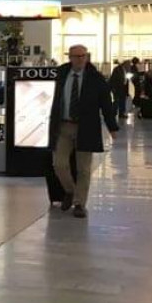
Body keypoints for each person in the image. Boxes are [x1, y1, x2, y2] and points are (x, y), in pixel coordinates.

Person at [48, 45, 120, 219]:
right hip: (63, 126)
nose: (80, 59)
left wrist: (112, 127)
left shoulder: (96, 78)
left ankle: (79, 203)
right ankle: (70, 190)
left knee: (84, 168)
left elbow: (106, 104)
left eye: (83, 56)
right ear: (70, 57)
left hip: (86, 127)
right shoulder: (61, 74)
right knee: (59, 164)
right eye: (76, 56)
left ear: (87, 57)